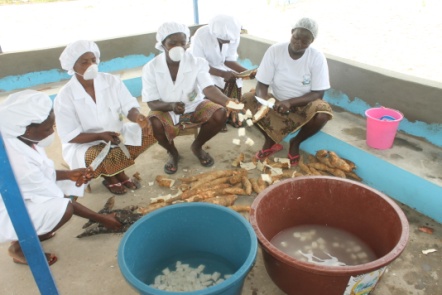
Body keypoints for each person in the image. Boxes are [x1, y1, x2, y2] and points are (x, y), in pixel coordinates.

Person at [0, 90, 122, 266]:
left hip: (24, 190)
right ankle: (19, 248)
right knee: (63, 210)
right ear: (27, 129)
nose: (52, 131)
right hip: (7, 210)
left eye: (53, 125)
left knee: (70, 183)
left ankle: (37, 231)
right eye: (47, 128)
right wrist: (102, 219)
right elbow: (61, 200)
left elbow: (42, 172)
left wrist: (68, 174)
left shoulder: (22, 138)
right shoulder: (18, 161)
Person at [55, 40, 157, 196]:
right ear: (72, 66)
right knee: (99, 152)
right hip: (86, 143)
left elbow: (128, 107)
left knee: (153, 129)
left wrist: (138, 117)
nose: (91, 65)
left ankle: (118, 172)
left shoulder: (110, 81)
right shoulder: (65, 96)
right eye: (84, 62)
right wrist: (99, 136)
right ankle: (110, 178)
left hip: (116, 134)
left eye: (93, 60)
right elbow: (69, 135)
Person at [142, 22, 242, 174]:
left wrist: (227, 101)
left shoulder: (197, 63)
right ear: (162, 44)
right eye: (172, 43)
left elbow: (209, 88)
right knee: (153, 123)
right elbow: (151, 102)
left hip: (193, 104)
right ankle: (173, 152)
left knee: (220, 113)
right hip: (166, 108)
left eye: (183, 43)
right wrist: (171, 106)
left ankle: (197, 146)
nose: (178, 47)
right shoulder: (151, 67)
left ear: (188, 44)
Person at [241, 17, 333, 165]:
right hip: (276, 100)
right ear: (291, 32)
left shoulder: (316, 57)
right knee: (247, 99)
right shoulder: (275, 51)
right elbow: (262, 84)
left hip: (304, 103)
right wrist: (264, 103)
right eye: (296, 37)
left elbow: (318, 93)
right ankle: (270, 141)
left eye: (305, 41)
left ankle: (295, 143)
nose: (299, 43)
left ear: (312, 41)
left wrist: (289, 102)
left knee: (323, 113)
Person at [188, 14, 253, 130]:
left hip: (219, 65)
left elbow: (229, 60)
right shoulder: (201, 35)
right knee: (210, 86)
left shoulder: (233, 34)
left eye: (228, 40)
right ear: (214, 34)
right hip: (199, 68)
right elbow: (198, 64)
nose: (227, 42)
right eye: (223, 40)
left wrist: (248, 72)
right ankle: (216, 117)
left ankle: (231, 115)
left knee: (234, 79)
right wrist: (223, 74)